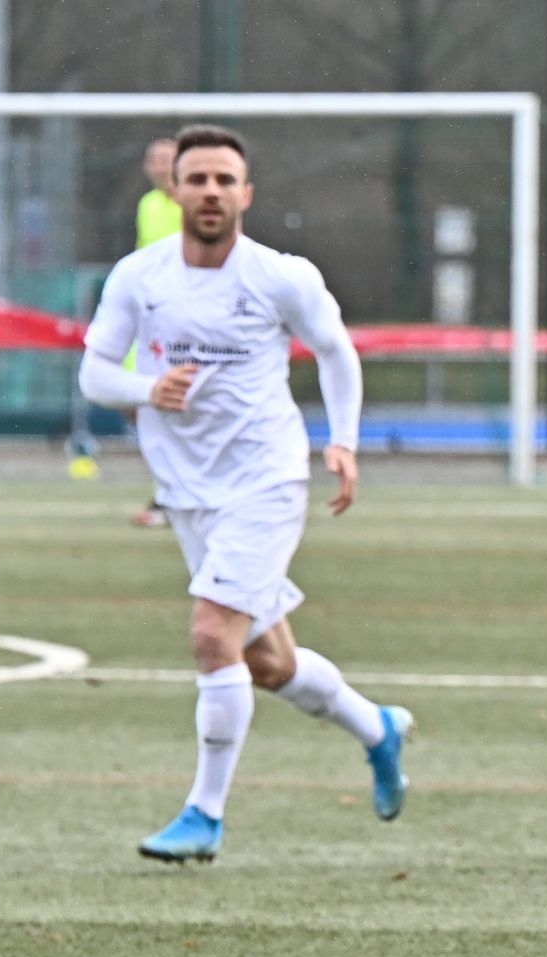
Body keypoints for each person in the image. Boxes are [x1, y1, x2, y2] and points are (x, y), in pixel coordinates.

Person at [78, 123, 412, 863]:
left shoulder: (280, 276)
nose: (211, 192)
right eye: (197, 179)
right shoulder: (138, 277)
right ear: (175, 189)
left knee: (210, 635)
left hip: (266, 479)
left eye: (224, 180)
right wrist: (146, 389)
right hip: (187, 491)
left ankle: (205, 814)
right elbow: (94, 373)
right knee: (267, 663)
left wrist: (344, 440)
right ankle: (377, 728)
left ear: (246, 194)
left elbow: (336, 352)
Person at [130, 136, 183, 527]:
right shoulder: (147, 205)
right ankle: (169, 493)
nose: (161, 166)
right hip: (153, 320)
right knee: (148, 408)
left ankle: (174, 496)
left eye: (168, 159)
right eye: (155, 159)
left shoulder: (194, 202)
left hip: (188, 321)